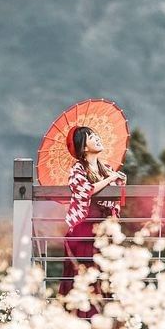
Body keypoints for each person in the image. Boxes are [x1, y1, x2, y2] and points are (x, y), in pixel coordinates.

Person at [59, 126, 126, 318]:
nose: (97, 139)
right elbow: (85, 190)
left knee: (105, 275)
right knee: (84, 275)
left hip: (105, 229)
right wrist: (110, 180)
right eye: (91, 137)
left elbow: (116, 201)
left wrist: (118, 181)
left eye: (97, 135)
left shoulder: (108, 169)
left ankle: (105, 322)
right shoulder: (78, 169)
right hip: (85, 228)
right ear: (83, 147)